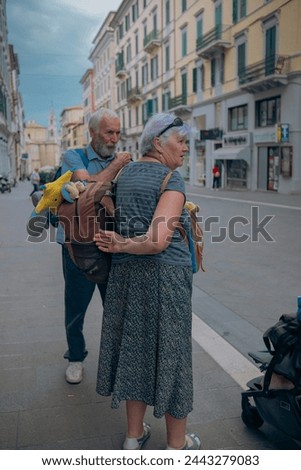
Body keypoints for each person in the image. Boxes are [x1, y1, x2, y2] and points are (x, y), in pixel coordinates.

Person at [93, 113, 201, 450]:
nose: (186, 149)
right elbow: (157, 240)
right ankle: (176, 446)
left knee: (134, 353)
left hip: (126, 278)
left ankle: (133, 436)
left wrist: (121, 245)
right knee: (173, 357)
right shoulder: (171, 178)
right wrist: (123, 242)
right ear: (158, 143)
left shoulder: (124, 174)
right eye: (180, 141)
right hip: (164, 279)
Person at [58, 108, 132, 384]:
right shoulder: (73, 157)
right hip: (77, 247)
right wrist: (115, 168)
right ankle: (75, 358)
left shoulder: (124, 161)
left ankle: (114, 362)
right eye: (108, 132)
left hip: (111, 246)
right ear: (92, 133)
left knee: (114, 308)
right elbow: (87, 191)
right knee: (75, 309)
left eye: (117, 133)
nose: (114, 139)